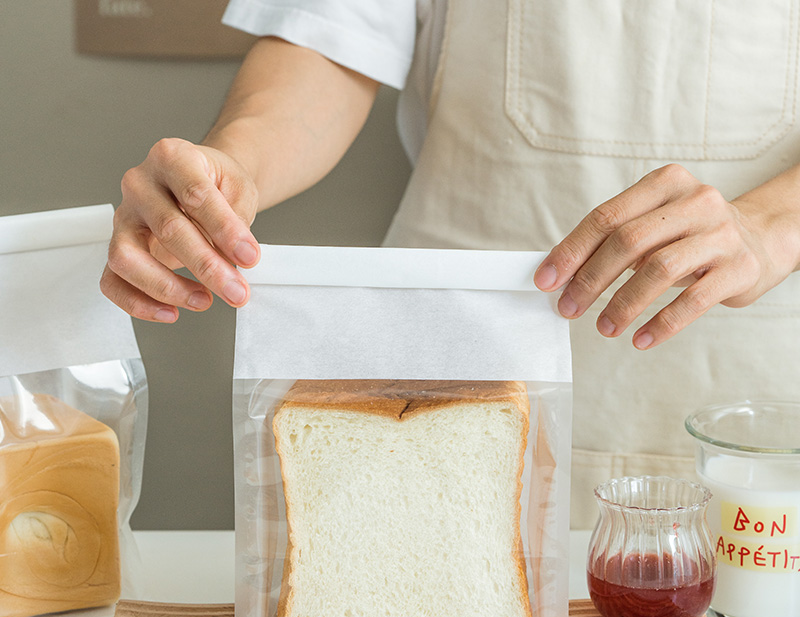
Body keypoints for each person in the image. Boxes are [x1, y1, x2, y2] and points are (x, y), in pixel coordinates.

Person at [101, 2, 800, 527]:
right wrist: (235, 165)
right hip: (449, 374)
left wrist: (769, 227)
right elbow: (329, 42)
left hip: (758, 423)